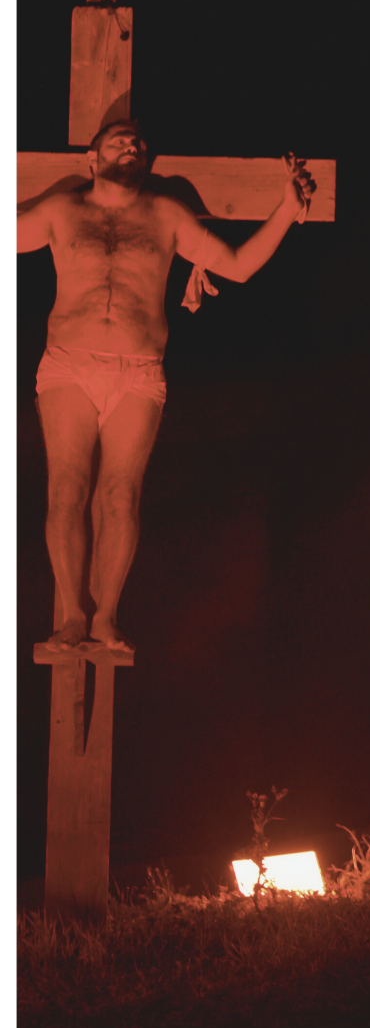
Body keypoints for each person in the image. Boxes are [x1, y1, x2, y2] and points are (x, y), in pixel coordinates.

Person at [17, 119, 314, 658]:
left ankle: (105, 617)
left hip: (138, 369)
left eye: (138, 144)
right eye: (118, 141)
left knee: (120, 494)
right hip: (69, 365)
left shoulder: (165, 215)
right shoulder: (63, 211)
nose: (130, 147)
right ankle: (69, 616)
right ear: (92, 157)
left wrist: (288, 210)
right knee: (66, 488)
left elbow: (240, 267)